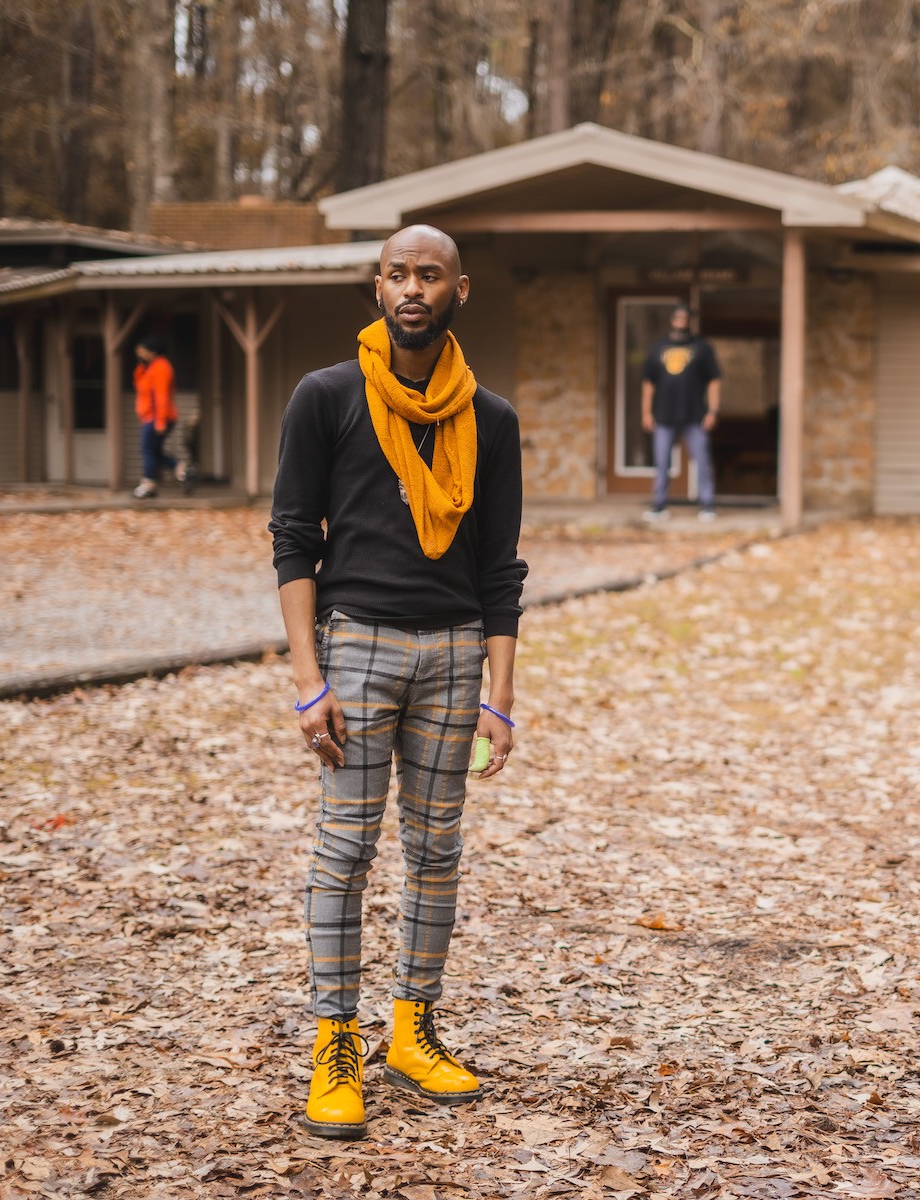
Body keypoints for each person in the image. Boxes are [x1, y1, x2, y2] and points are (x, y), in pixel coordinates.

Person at [268, 225, 527, 1141]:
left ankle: (413, 1032)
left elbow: (500, 566)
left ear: (460, 292)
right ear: (375, 289)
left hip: (456, 653)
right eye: (396, 273)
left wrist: (501, 692)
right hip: (357, 650)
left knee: (435, 853)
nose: (411, 287)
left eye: (429, 274)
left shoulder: (490, 419)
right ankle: (335, 1042)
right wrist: (308, 678)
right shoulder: (326, 397)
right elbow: (295, 540)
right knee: (345, 851)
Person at [640, 302, 721, 521]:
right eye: (677, 318)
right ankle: (659, 505)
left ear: (690, 321)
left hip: (695, 415)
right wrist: (646, 412)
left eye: (685, 319)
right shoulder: (658, 348)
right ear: (671, 320)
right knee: (662, 462)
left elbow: (714, 380)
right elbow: (648, 382)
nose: (681, 322)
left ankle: (707, 505)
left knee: (702, 460)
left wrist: (712, 411)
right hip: (663, 415)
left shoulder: (702, 348)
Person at [131, 335, 183, 498]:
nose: (139, 354)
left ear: (152, 352)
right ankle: (182, 469)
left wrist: (159, 422)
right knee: (154, 451)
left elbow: (161, 396)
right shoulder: (150, 368)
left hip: (157, 417)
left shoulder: (161, 368)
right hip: (151, 417)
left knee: (148, 450)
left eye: (142, 352)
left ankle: (148, 484)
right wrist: (142, 366)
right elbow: (139, 384)